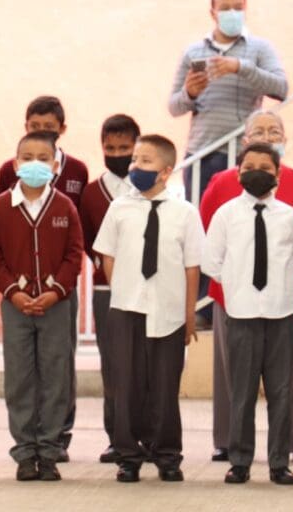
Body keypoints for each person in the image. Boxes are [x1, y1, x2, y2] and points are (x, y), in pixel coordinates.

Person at [199, 110, 293, 464]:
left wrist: (279, 274)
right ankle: (228, 441)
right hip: (233, 296)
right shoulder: (221, 184)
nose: (267, 136)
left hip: (289, 295)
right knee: (232, 372)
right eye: (258, 131)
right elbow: (210, 233)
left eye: (274, 131)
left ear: (285, 140)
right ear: (244, 140)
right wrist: (234, 277)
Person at [93, 134, 202, 483]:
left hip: (169, 312)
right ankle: (128, 455)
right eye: (134, 160)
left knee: (165, 386)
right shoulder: (119, 208)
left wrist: (188, 314)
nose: (135, 166)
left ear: (166, 171)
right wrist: (123, 292)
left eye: (145, 161)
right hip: (127, 308)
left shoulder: (185, 213)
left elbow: (192, 266)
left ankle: (167, 454)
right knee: (127, 386)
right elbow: (108, 255)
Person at [0, 131, 83, 482]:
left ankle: (50, 451)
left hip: (56, 305)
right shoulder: (1, 207)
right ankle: (25, 452)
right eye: (27, 157)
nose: (34, 164)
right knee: (20, 378)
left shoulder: (65, 207)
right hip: (17, 306)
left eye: (43, 158)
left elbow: (74, 254)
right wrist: (13, 291)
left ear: (55, 166)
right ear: (15, 164)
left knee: (56, 376)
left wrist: (56, 291)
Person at [168, 0, 288, 203]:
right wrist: (190, 93)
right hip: (202, 154)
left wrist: (241, 67)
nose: (232, 13)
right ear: (213, 13)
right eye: (225, 8)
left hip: (247, 154)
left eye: (238, 7)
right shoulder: (193, 52)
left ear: (245, 10)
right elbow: (174, 107)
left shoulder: (261, 48)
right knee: (202, 217)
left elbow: (281, 88)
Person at [78, 113, 139, 464]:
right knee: (113, 365)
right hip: (107, 291)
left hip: (148, 290)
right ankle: (116, 436)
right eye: (110, 148)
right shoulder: (90, 193)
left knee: (144, 364)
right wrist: (108, 265)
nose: (117, 154)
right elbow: (87, 239)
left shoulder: (149, 188)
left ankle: (146, 434)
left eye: (124, 148)